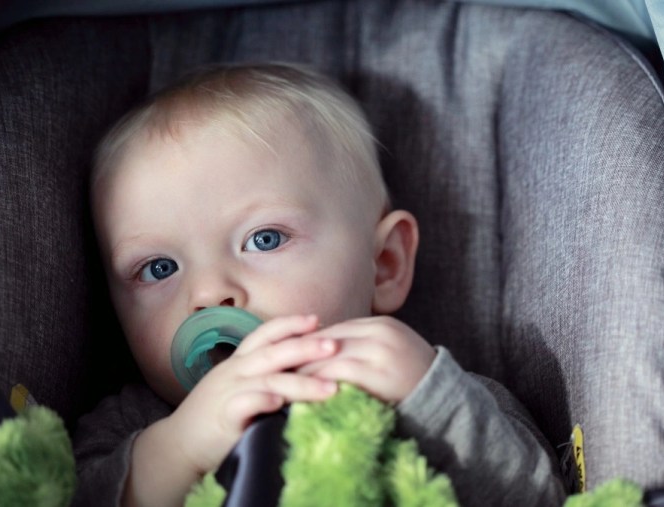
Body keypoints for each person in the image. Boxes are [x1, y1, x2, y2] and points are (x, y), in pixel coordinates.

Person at [75, 62, 565, 507]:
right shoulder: (134, 425)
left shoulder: (429, 389)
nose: (207, 295)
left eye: (264, 239)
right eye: (159, 268)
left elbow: (540, 496)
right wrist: (180, 446)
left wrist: (433, 402)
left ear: (385, 263)